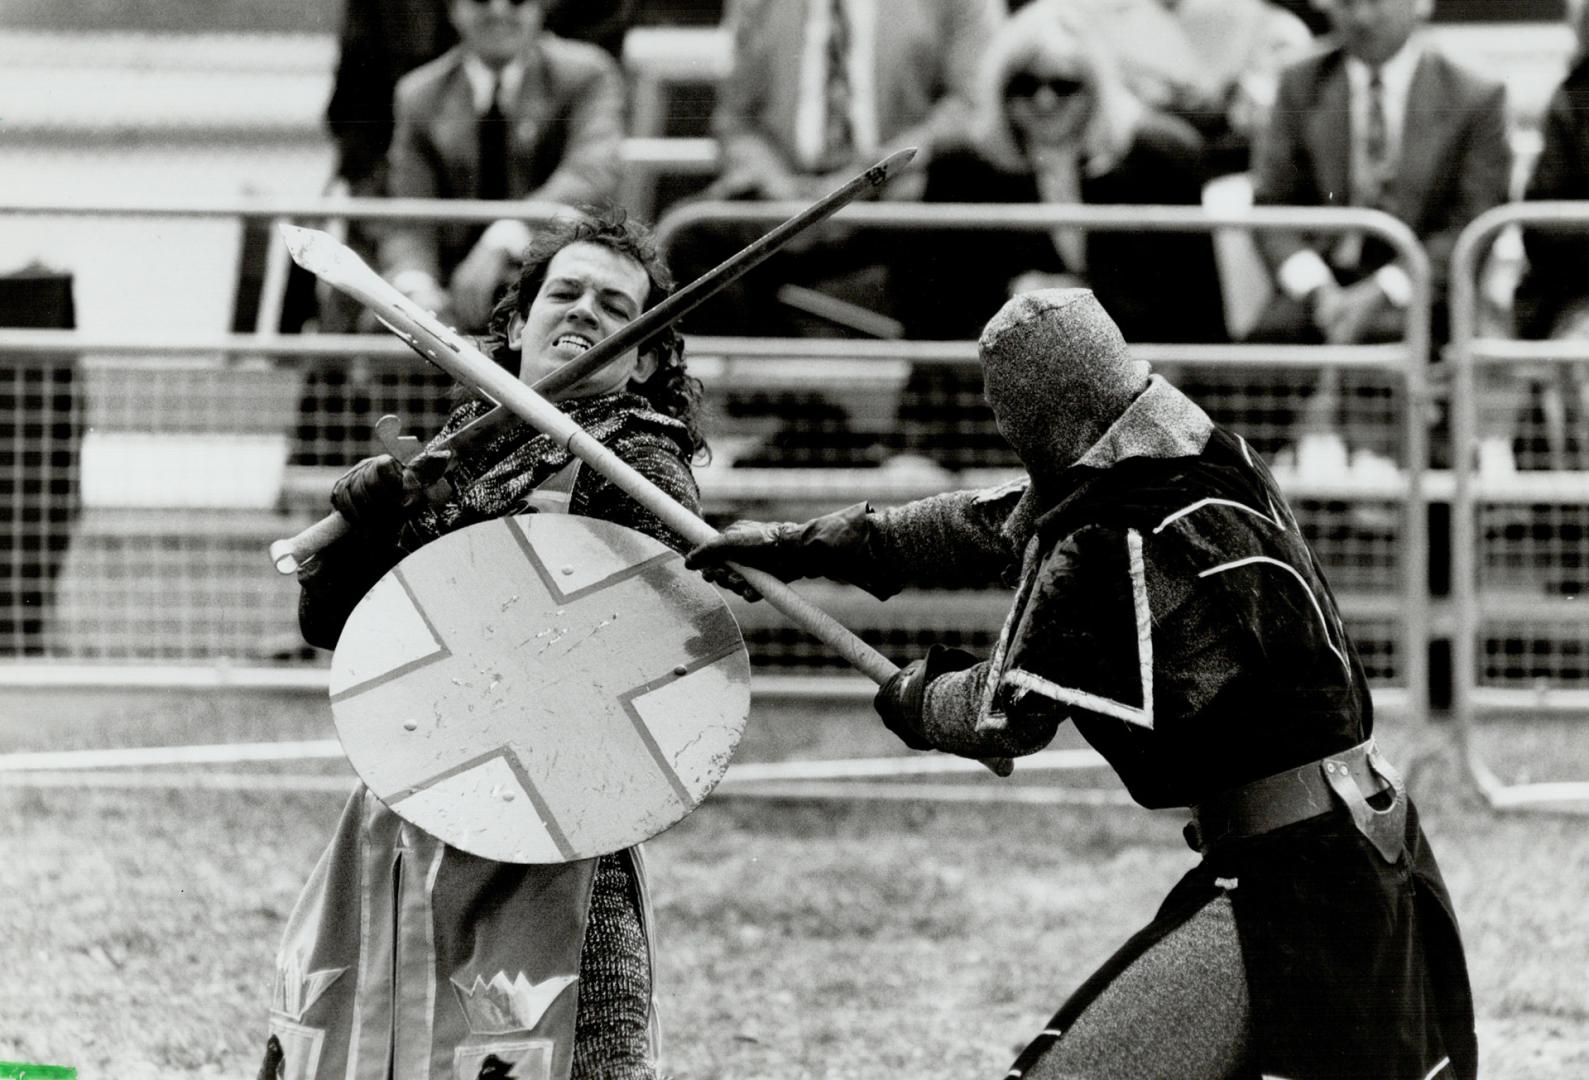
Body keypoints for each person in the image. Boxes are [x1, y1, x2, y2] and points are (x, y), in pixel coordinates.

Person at [687, 288, 1477, 1079]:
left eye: (1003, 412)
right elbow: (980, 522)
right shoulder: (1206, 457)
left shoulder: (1111, 537)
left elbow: (998, 717)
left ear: (1035, 412)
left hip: (1300, 882)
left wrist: (911, 699)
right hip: (1358, 838)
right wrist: (806, 545)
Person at [258, 210, 705, 1080]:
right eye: (563, 292)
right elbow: (330, 630)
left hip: (548, 829)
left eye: (615, 306)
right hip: (405, 810)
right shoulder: (458, 451)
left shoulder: (644, 467)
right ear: (515, 324)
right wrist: (363, 532)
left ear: (646, 357)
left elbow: (643, 651)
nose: (582, 311)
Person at [1248, 0, 1510, 471]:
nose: (1362, 18)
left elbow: (1475, 221)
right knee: (1246, 387)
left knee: (1439, 391)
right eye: (1348, 2)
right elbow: (1272, 207)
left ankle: (1433, 521)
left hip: (1426, 292)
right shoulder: (1299, 82)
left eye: (1377, 1)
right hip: (1319, 289)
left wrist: (1385, 290)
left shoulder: (1476, 93)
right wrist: (1317, 288)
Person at [669, 0, 1002, 337]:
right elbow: (735, 117)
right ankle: (772, 387)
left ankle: (936, 385)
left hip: (895, 192)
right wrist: (775, 184)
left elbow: (972, 101)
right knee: (688, 240)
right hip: (784, 198)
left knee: (957, 220)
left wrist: (877, 171)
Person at [380, 0, 627, 332]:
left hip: (552, 273)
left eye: (517, 0)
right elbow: (410, 216)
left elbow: (590, 174)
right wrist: (416, 286)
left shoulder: (586, 74)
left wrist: (506, 235)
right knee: (383, 324)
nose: (498, 10)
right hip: (448, 292)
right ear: (454, 9)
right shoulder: (419, 94)